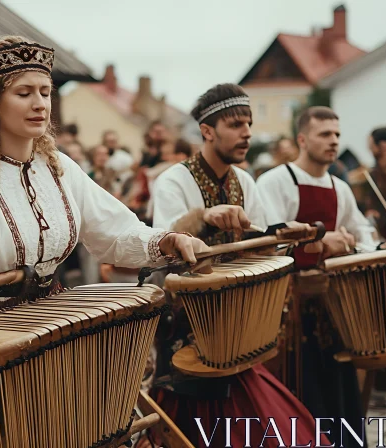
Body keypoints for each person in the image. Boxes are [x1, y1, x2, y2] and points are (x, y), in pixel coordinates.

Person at [0, 35, 207, 448]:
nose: (40, 103)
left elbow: (114, 231)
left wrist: (165, 240)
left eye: (45, 92)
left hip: (56, 326)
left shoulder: (58, 168)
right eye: (24, 93)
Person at [146, 83, 326, 448]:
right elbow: (165, 248)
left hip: (239, 326)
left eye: (249, 123)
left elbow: (262, 245)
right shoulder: (172, 181)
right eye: (235, 125)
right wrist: (203, 217)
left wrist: (283, 235)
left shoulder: (245, 180)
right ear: (207, 131)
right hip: (188, 326)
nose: (246, 133)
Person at [256, 106, 378, 446]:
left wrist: (362, 245)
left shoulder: (340, 187)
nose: (334, 141)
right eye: (325, 134)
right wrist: (320, 244)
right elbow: (270, 243)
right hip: (289, 311)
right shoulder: (275, 181)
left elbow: (364, 235)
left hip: (333, 305)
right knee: (300, 390)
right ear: (302, 138)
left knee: (338, 388)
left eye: (337, 134)